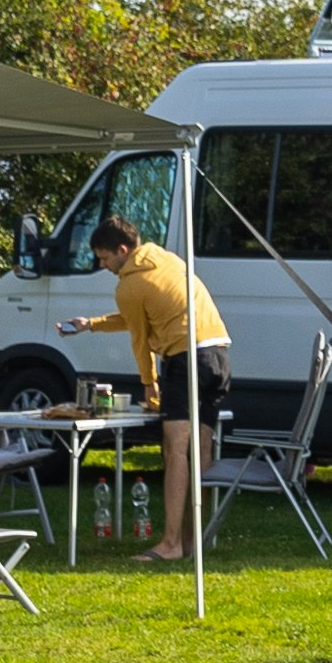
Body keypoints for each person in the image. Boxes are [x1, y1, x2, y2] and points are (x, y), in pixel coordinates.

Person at [93, 216, 229, 558]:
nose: (102, 265)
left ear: (122, 250)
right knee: (201, 450)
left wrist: (148, 383)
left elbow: (139, 340)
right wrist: (91, 324)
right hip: (218, 354)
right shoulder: (168, 259)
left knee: (175, 448)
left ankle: (170, 544)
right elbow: (137, 316)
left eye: (105, 258)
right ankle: (193, 541)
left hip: (184, 359)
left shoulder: (129, 285)